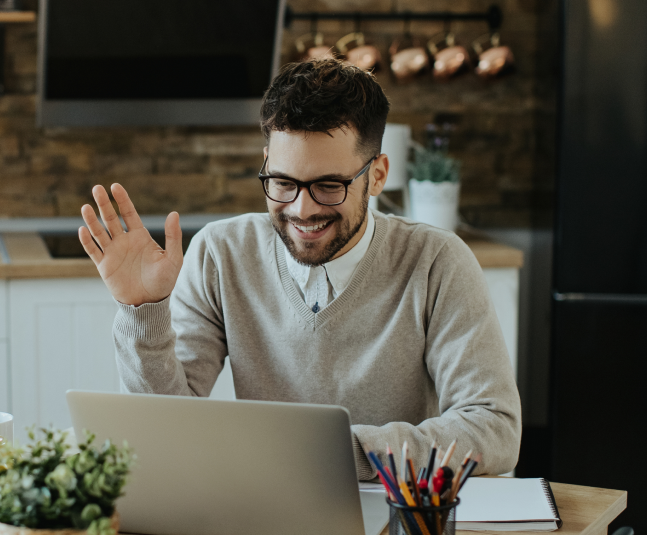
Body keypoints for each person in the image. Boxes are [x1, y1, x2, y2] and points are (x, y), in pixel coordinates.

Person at [77, 58, 521, 480]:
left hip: (396, 514)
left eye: (329, 186)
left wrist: (334, 453)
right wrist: (144, 309)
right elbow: (168, 425)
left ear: (378, 175)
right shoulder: (220, 253)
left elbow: (494, 427)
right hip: (266, 510)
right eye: (283, 183)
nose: (302, 210)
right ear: (266, 164)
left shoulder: (437, 261)